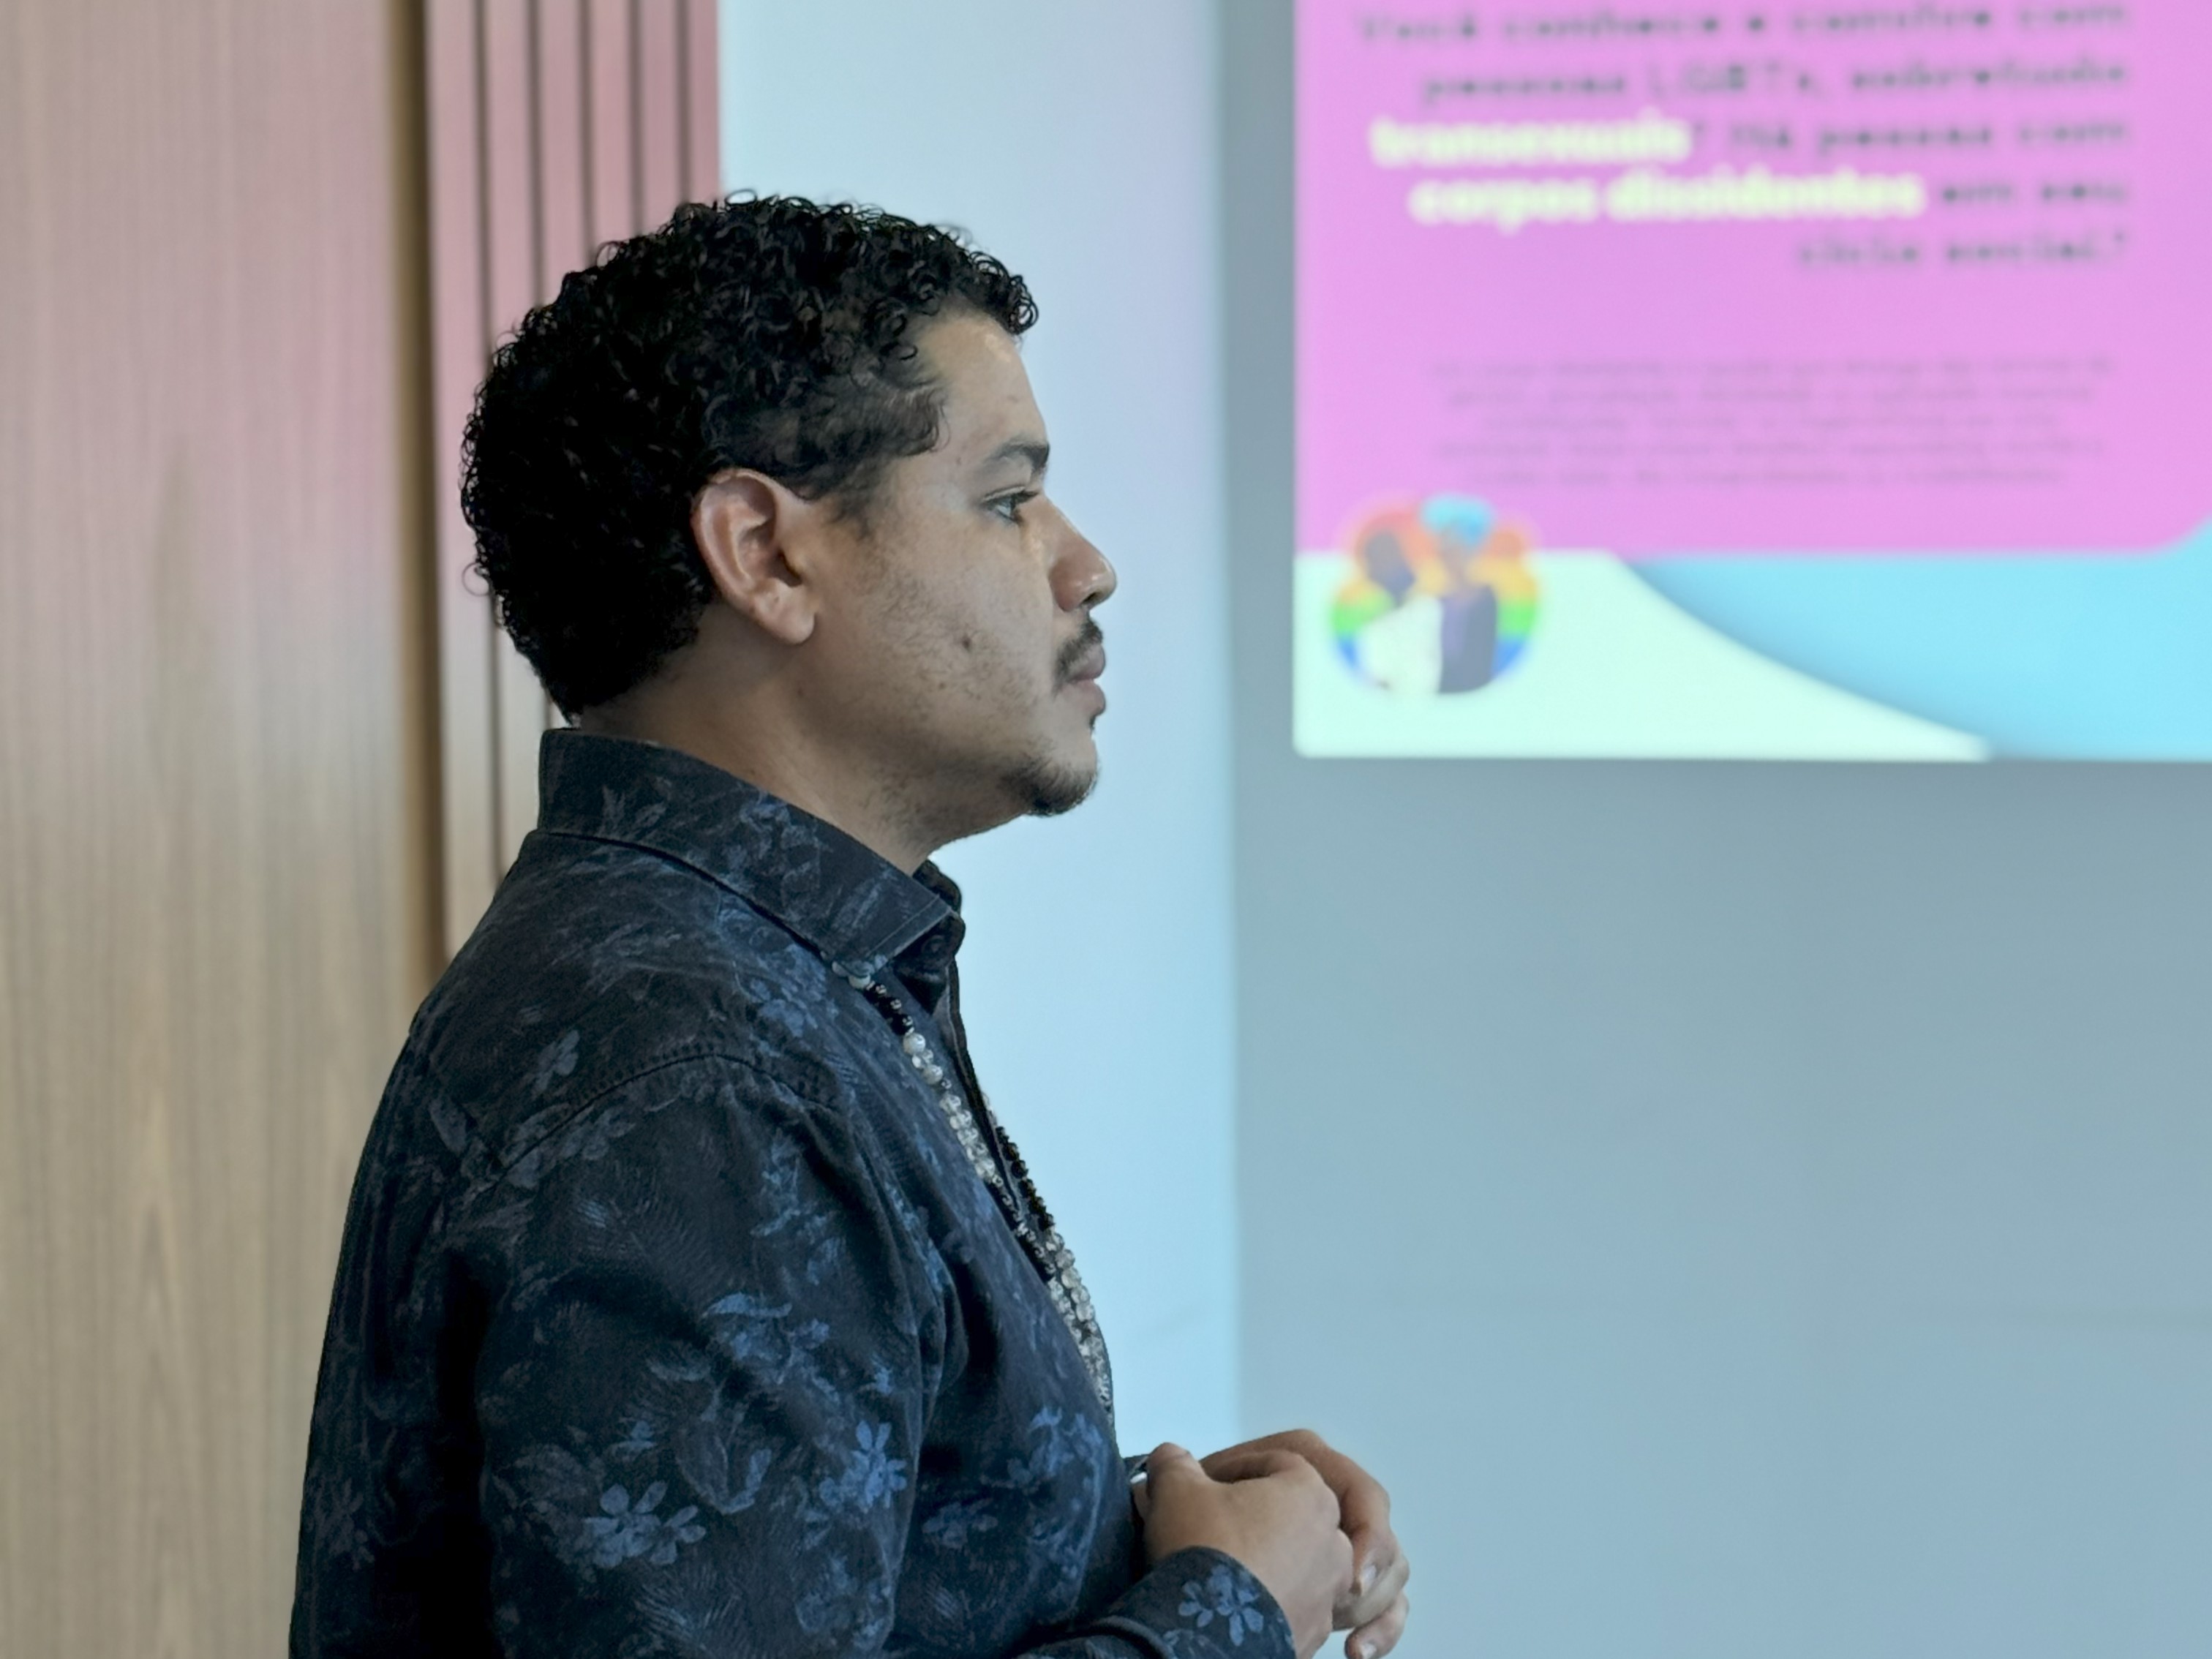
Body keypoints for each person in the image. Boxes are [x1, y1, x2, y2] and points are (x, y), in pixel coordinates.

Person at [290, 195, 1410, 1659]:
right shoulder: (695, 1080)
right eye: (1008, 500)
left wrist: (1130, 1532)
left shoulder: (746, 981)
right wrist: (1223, 1615)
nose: (1085, 565)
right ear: (764, 554)